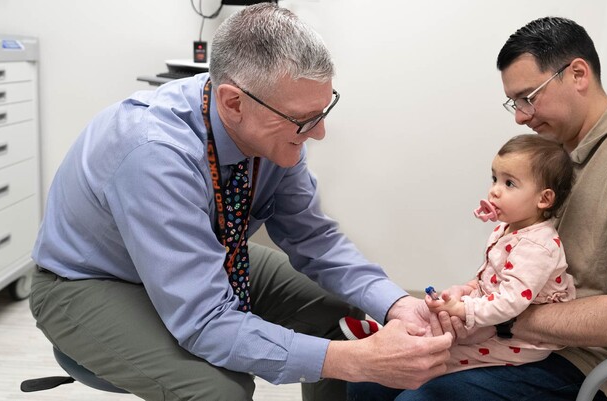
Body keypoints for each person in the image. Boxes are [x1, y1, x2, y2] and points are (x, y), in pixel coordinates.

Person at [28, 4, 451, 400]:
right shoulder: (154, 152)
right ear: (233, 103)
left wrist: (398, 304)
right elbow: (206, 322)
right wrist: (355, 362)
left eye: (323, 112)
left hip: (205, 254)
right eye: (304, 120)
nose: (318, 133)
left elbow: (315, 239)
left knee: (340, 313)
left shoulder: (272, 133)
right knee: (219, 389)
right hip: (89, 280)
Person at [350, 16, 607, 401]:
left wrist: (496, 316)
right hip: (513, 336)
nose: (520, 116)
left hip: (584, 363)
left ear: (578, 74)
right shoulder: (549, 153)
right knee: (370, 378)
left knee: (422, 398)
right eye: (514, 102)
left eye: (529, 97)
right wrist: (470, 299)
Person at [343, 134, 579, 374]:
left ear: (544, 199)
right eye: (494, 179)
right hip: (493, 312)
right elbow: (491, 276)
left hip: (520, 340)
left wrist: (463, 308)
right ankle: (392, 336)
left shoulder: (537, 247)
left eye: (509, 183)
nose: (494, 191)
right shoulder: (506, 228)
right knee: (438, 312)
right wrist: (466, 289)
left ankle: (397, 348)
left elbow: (511, 302)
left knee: (448, 353)